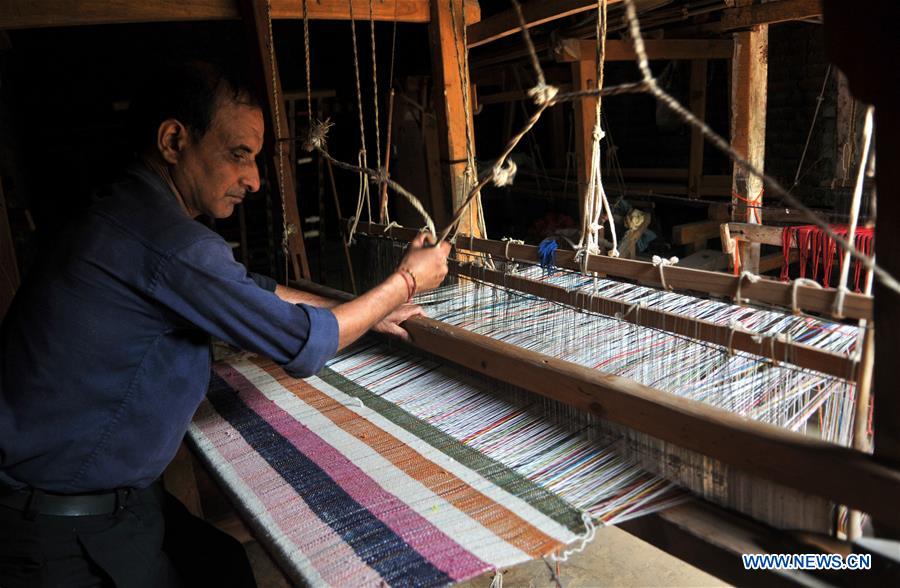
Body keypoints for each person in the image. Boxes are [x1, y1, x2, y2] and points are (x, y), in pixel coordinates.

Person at [0, 61, 451, 587]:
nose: (255, 180)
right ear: (174, 140)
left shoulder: (122, 210)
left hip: (100, 501)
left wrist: (373, 309)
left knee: (224, 564)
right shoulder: (169, 241)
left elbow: (250, 291)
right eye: (240, 155)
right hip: (58, 529)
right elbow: (301, 343)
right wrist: (406, 283)